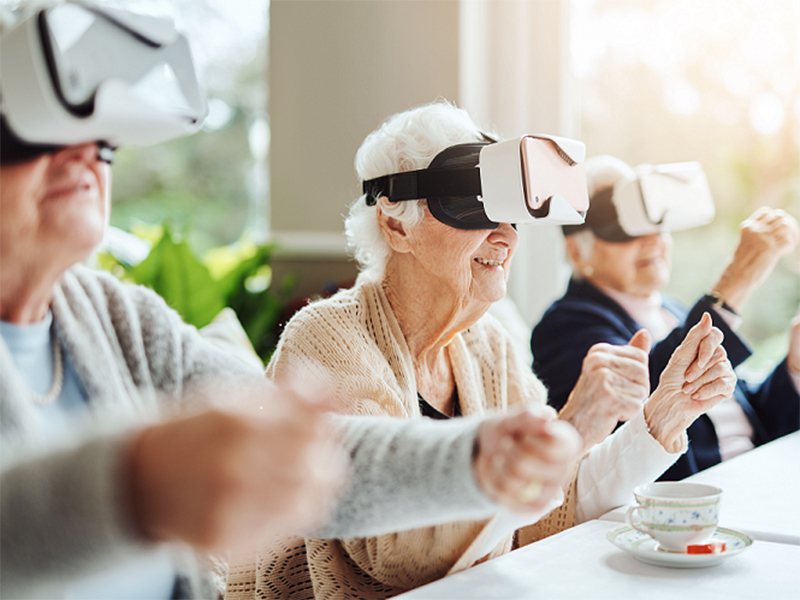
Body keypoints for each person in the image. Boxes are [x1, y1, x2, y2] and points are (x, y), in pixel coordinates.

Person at [0, 4, 588, 598]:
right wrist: (128, 489)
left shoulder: (122, 318)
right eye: (33, 134)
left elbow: (319, 458)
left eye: (101, 144)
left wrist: (476, 459)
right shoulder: (331, 332)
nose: (82, 155)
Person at [258, 102, 736, 599]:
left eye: (508, 214)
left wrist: (660, 418)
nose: (506, 235)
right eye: (473, 209)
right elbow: (394, 553)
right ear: (396, 226)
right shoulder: (327, 339)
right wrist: (570, 430)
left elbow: (545, 515)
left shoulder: (487, 345)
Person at [532, 154, 800, 481]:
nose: (654, 240)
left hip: (758, 476)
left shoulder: (672, 311)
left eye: (658, 224)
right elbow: (651, 397)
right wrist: (735, 281)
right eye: (626, 230)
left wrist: (794, 369)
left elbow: (745, 413)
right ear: (577, 251)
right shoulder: (567, 324)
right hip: (697, 499)